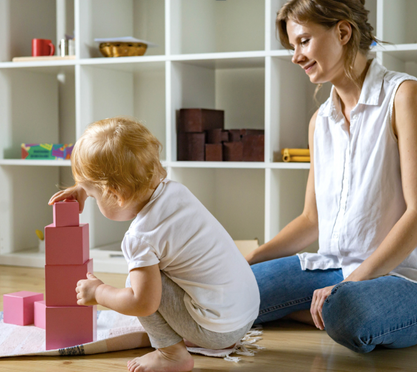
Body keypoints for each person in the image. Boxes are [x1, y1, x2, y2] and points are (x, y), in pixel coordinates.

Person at [246, 0, 417, 353]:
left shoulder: (405, 96)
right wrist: (249, 260)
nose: (295, 56)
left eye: (303, 41)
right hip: (335, 267)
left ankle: (322, 309)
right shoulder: (321, 121)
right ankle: (320, 309)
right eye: (292, 46)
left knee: (347, 311)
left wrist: (350, 286)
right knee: (231, 292)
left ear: (343, 32)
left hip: (412, 279)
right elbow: (310, 220)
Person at [49, 117, 260, 372]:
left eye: (93, 196)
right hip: (245, 313)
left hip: (218, 330)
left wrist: (100, 293)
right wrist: (83, 187)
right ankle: (205, 333)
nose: (90, 198)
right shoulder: (176, 192)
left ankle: (171, 355)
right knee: (152, 273)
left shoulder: (140, 237)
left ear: (115, 195)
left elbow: (143, 304)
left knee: (135, 285)